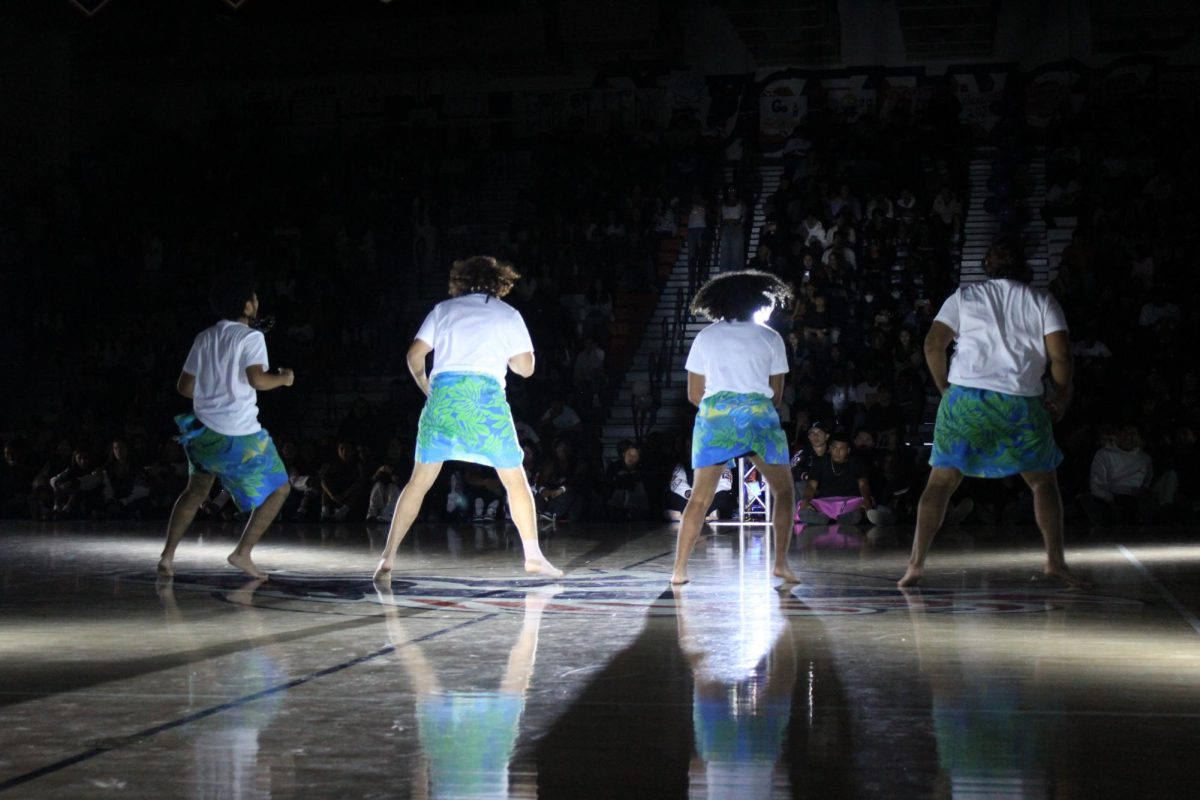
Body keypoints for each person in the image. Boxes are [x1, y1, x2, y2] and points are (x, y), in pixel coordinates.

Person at [898, 240, 1086, 587]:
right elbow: (1062, 358)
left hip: (965, 401)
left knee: (940, 482)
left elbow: (931, 345)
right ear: (1023, 267)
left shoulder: (964, 298)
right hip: (1019, 404)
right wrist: (1060, 395)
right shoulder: (1041, 300)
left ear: (987, 266)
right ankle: (1055, 562)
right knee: (1043, 481)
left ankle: (915, 564)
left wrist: (945, 390)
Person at [373, 256, 562, 580]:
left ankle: (387, 558)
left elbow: (414, 356)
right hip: (483, 399)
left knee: (418, 482)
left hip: (443, 397)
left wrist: (425, 386)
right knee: (514, 479)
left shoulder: (443, 310)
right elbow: (526, 368)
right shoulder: (508, 314)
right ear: (500, 282)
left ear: (462, 281)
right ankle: (532, 556)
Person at [158, 272, 294, 579]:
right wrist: (285, 379)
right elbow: (258, 379)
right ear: (246, 306)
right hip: (239, 436)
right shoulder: (252, 337)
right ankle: (242, 553)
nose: (257, 302)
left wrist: (214, 388)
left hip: (203, 434)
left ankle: (167, 556)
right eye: (254, 298)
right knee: (281, 489)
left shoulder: (204, 337)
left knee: (195, 492)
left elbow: (185, 386)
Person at [670, 270, 799, 585]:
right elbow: (778, 395)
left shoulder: (706, 337)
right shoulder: (771, 337)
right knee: (783, 491)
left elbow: (693, 394)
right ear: (758, 301)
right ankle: (780, 564)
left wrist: (720, 412)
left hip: (716, 418)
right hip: (758, 416)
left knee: (700, 498)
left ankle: (679, 571)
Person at [796, 431, 875, 525]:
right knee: (802, 504)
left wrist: (866, 499)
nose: (837, 452)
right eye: (834, 448)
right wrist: (806, 501)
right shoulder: (820, 462)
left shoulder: (856, 462)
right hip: (825, 503)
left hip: (850, 501)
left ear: (848, 450)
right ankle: (819, 518)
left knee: (866, 502)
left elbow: (863, 484)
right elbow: (812, 485)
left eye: (841, 448)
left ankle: (854, 516)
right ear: (830, 448)